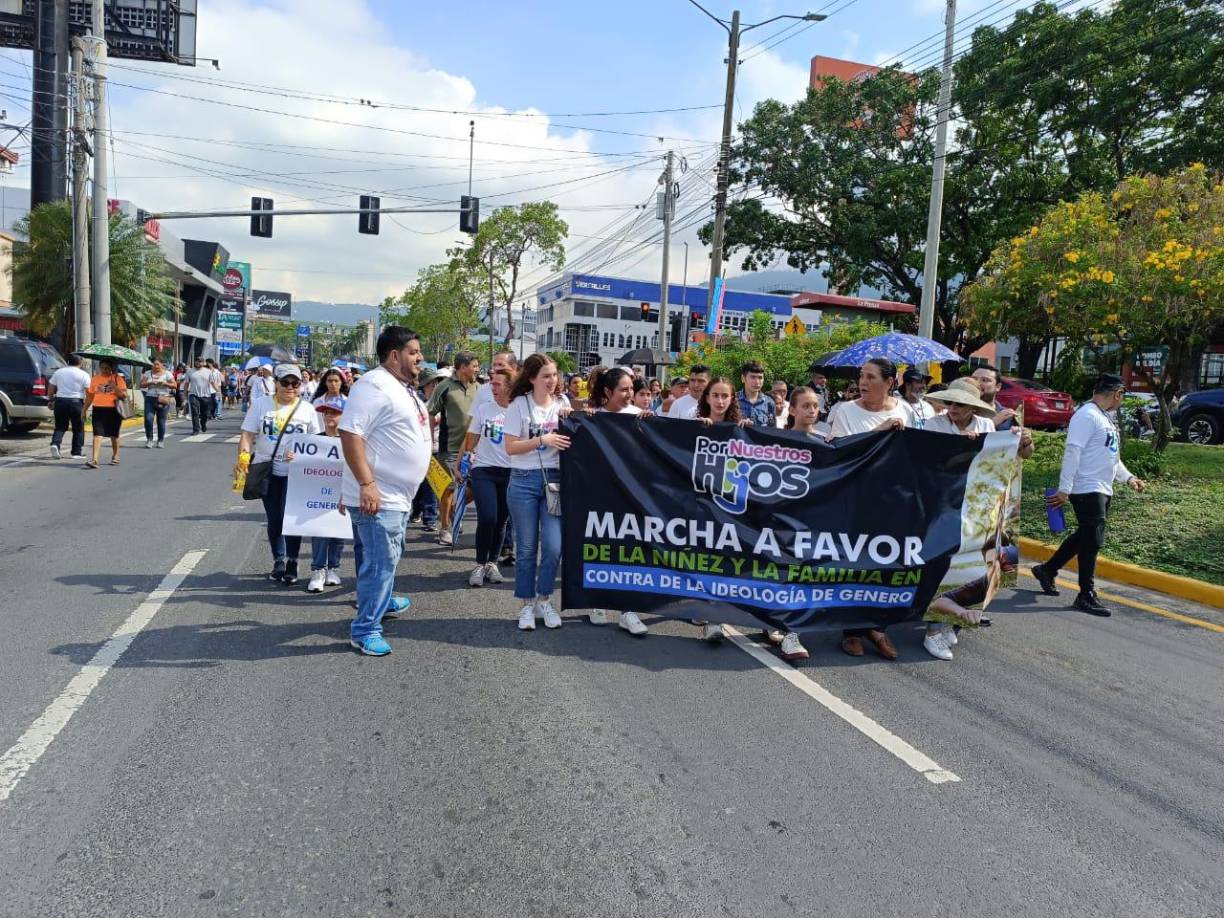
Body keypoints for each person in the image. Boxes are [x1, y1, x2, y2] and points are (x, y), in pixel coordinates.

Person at [338, 327, 432, 656]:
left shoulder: (400, 387)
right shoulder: (374, 385)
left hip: (394, 496)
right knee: (380, 563)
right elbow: (350, 434)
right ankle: (365, 630)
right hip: (380, 496)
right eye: (413, 352)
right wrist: (364, 484)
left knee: (379, 557)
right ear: (394, 356)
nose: (420, 358)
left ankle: (384, 601)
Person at [1032, 374, 1145, 617]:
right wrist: (1065, 488)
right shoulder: (1086, 415)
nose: (1122, 400)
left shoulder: (1105, 417)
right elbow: (1073, 452)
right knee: (1092, 541)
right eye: (1122, 395)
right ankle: (1086, 594)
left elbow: (1112, 456)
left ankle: (1047, 570)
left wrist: (1129, 478)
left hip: (1102, 488)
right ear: (1117, 394)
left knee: (1085, 535)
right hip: (1086, 488)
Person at [919, 378, 1015, 661]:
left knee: (974, 564)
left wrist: (1021, 441)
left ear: (972, 407)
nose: (952, 409)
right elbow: (928, 459)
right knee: (943, 563)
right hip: (943, 504)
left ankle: (954, 624)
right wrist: (961, 447)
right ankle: (933, 630)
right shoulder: (934, 425)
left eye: (960, 404)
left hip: (977, 506)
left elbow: (1006, 458)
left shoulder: (986, 427)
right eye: (949, 402)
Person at [828, 358, 911, 660]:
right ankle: (851, 631)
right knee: (854, 563)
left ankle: (877, 626)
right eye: (862, 376)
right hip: (856, 498)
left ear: (890, 383)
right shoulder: (846, 411)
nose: (863, 382)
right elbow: (840, 452)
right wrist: (881, 429)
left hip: (891, 501)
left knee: (885, 563)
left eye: (871, 377)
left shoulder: (906, 410)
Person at [503, 354, 572, 632]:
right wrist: (542, 439)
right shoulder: (519, 404)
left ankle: (545, 598)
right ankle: (527, 603)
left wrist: (578, 416)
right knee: (528, 548)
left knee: (554, 547)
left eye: (554, 375)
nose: (552, 380)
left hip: (554, 481)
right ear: (532, 379)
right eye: (546, 375)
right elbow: (510, 447)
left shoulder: (563, 404)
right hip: (522, 480)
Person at [236, 364, 320, 584]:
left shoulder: (307, 409)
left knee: (291, 518)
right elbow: (247, 434)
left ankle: (292, 561)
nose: (290, 387)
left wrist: (303, 456)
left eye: (295, 383)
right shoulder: (262, 405)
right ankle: (279, 560)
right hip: (267, 469)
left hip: (296, 472)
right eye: (285, 383)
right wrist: (244, 458)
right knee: (275, 518)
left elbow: (317, 442)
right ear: (276, 383)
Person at [585, 366, 651, 636]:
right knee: (598, 547)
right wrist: (573, 416)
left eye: (631, 389)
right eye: (623, 389)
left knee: (629, 550)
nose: (629, 394)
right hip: (599, 493)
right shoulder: (593, 418)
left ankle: (628, 610)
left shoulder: (640, 417)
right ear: (608, 392)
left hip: (631, 495)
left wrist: (656, 424)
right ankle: (597, 601)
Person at [692, 377, 749, 643]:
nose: (720, 401)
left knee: (722, 558)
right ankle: (705, 611)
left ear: (732, 399)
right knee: (702, 556)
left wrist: (749, 432)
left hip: (729, 506)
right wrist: (694, 430)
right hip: (700, 504)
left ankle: (715, 616)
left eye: (725, 396)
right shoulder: (695, 425)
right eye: (715, 395)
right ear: (707, 398)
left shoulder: (740, 428)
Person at [461, 367, 514, 588]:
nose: (492, 387)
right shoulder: (484, 409)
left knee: (501, 520)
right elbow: (471, 438)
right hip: (483, 470)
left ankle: (492, 563)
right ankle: (479, 563)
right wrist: (460, 463)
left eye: (497, 384)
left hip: (511, 472)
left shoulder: (519, 410)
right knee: (488, 517)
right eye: (491, 383)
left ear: (510, 387)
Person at [427, 350, 480, 547]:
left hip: (473, 449)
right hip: (449, 447)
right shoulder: (444, 387)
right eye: (474, 365)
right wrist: (427, 440)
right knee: (448, 489)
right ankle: (444, 529)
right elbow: (430, 413)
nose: (477, 369)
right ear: (462, 367)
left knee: (475, 488)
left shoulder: (480, 388)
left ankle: (455, 510)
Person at [305, 391, 347, 594]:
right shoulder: (314, 441)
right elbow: (304, 466)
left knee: (338, 531)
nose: (329, 417)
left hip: (342, 494)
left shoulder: (350, 441)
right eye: (326, 413)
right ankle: (318, 570)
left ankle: (333, 568)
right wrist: (293, 457)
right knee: (320, 531)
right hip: (319, 496)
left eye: (334, 413)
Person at [410, 367, 442, 533]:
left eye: (436, 382)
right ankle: (419, 511)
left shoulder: (443, 403)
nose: (435, 385)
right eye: (431, 383)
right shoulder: (419, 405)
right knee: (422, 484)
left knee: (433, 485)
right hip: (422, 449)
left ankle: (430, 517)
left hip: (439, 449)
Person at [83, 359, 128, 468]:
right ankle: (94, 460)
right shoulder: (94, 379)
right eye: (102, 368)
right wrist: (84, 410)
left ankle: (115, 455)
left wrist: (115, 387)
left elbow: (124, 396)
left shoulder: (118, 379)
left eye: (107, 368)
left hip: (114, 410)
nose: (104, 370)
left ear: (111, 368)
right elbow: (90, 397)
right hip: (98, 409)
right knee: (97, 434)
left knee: (114, 435)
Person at [47, 353, 91, 460]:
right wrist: (85, 407)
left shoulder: (59, 372)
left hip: (61, 401)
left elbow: (51, 387)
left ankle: (55, 444)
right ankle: (76, 452)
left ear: (68, 362)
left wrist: (51, 400)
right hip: (77, 403)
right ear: (80, 362)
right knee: (78, 428)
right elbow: (89, 392)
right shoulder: (84, 374)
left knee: (60, 426)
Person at [140, 358, 176, 448]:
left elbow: (174, 385)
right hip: (150, 398)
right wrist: (150, 383)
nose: (155, 366)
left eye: (157, 364)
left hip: (163, 398)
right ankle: (149, 439)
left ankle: (160, 440)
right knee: (148, 419)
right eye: (154, 364)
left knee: (161, 421)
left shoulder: (167, 374)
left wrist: (165, 384)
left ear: (162, 365)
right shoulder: (148, 373)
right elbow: (141, 384)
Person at [969, 365, 1015, 429]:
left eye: (985, 380)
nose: (978, 383)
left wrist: (1021, 437)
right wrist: (992, 423)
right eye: (974, 379)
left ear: (998, 387)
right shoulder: (959, 410)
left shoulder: (1008, 416)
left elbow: (1013, 437)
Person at [737, 360, 775, 427]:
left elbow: (772, 430)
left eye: (760, 378)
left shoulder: (769, 403)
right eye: (753, 377)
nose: (757, 382)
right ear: (743, 378)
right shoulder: (733, 400)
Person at [185, 357, 217, 434]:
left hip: (206, 395)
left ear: (203, 363)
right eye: (197, 361)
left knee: (205, 413)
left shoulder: (208, 372)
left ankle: (203, 424)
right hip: (193, 394)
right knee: (194, 412)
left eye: (200, 362)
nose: (198, 363)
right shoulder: (190, 371)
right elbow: (186, 383)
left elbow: (212, 383)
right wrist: (185, 394)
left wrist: (218, 392)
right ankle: (196, 429)